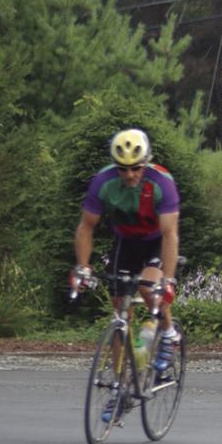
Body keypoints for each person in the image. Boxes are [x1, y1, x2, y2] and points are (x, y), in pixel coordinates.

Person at [71, 129, 182, 419]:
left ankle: (168, 333)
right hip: (126, 242)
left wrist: (167, 281)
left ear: (146, 163)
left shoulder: (162, 183)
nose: (130, 175)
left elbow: (171, 235)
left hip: (156, 241)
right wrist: (83, 267)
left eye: (136, 168)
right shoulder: (103, 183)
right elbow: (86, 227)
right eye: (123, 169)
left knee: (149, 289)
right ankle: (120, 387)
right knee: (121, 314)